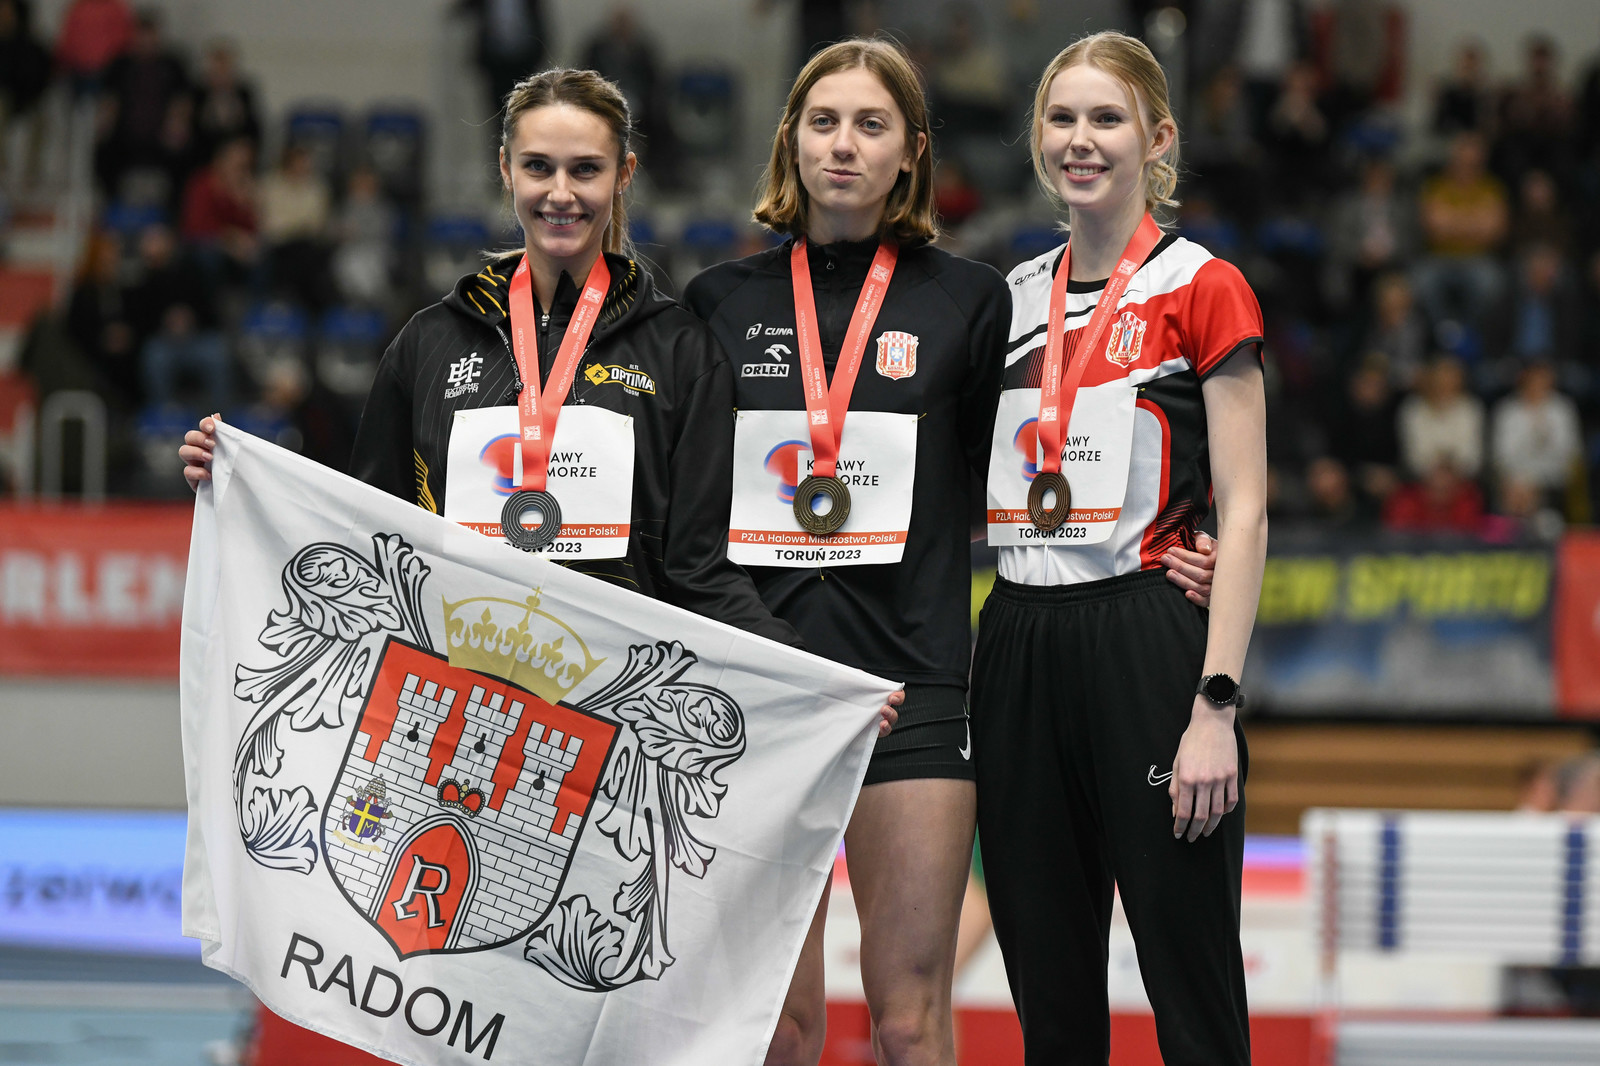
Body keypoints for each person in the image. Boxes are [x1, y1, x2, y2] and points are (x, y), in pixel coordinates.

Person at [684, 38, 1218, 1066]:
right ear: (791, 140)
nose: (843, 145)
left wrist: (1171, 541)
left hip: (916, 686)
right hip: (761, 691)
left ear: (912, 151)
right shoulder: (717, 302)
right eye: (823, 122)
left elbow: (1024, 475)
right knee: (777, 1029)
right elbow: (689, 510)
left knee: (909, 1020)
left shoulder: (972, 302)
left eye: (870, 125)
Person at [179, 69, 900, 724]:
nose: (560, 193)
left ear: (623, 175)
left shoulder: (681, 353)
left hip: (614, 718)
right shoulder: (431, 343)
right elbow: (369, 534)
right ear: (505, 170)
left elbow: (699, 571)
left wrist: (817, 682)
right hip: (446, 702)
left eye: (585, 169)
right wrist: (241, 484)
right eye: (538, 167)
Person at [971, 31, 1266, 1066]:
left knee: (1191, 991)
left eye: (1106, 118)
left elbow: (1246, 507)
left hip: (1146, 635)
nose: (1081, 140)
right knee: (1048, 1004)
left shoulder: (1202, 284)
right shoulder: (1007, 297)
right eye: (1061, 118)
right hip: (1016, 638)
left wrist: (1215, 703)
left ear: (1159, 138)